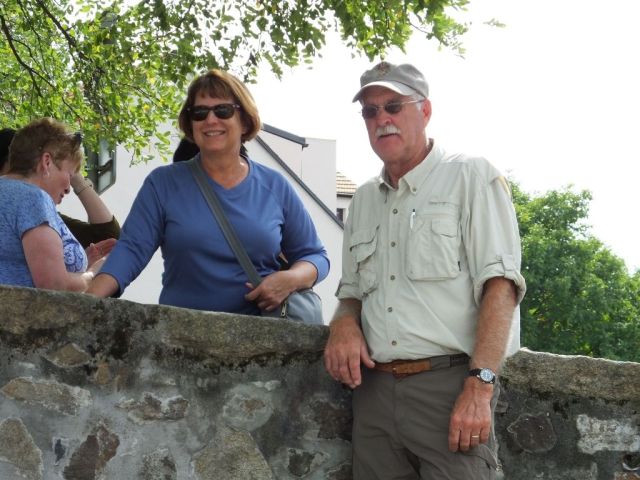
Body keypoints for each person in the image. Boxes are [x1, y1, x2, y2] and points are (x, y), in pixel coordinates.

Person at [323, 61, 526, 479]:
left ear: (425, 110)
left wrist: (480, 386)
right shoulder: (361, 200)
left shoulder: (471, 175)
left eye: (394, 106)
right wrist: (343, 324)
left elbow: (501, 286)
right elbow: (352, 295)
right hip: (374, 393)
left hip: (449, 387)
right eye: (370, 111)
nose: (382, 120)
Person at [86, 69, 329, 315]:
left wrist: (290, 279)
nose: (211, 120)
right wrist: (86, 304)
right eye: (200, 113)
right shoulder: (162, 184)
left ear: (244, 120)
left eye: (223, 110)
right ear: (190, 124)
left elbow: (315, 255)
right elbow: (131, 249)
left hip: (262, 337)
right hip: (182, 334)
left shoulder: (275, 186)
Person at [0, 118, 112, 291]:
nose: (68, 188)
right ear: (46, 162)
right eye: (69, 174)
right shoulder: (33, 198)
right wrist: (92, 274)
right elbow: (52, 284)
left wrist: (80, 262)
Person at [0, 127, 121, 248]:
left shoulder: (42, 213)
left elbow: (108, 238)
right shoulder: (36, 209)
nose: (68, 189)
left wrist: (72, 171)